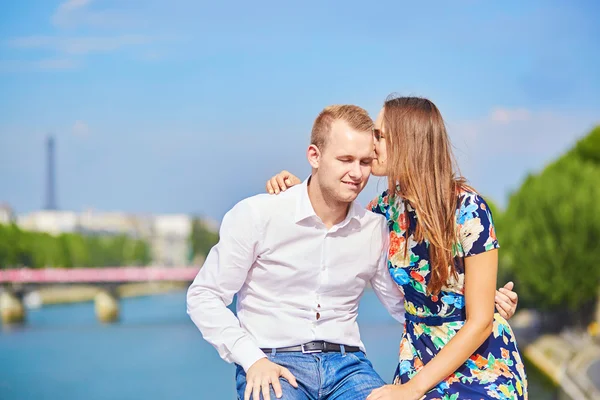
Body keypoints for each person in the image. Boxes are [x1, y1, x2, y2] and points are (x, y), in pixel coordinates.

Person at [187, 105, 518, 400]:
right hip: (277, 359)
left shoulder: (394, 221)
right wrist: (252, 359)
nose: (361, 165)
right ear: (314, 157)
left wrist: (484, 304)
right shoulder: (373, 214)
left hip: (379, 365)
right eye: (347, 159)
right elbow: (204, 296)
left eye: (373, 145)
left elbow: (422, 306)